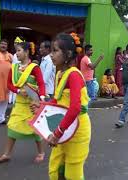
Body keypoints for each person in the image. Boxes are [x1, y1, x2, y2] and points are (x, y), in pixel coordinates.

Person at [31, 33, 91, 180]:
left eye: (55, 51)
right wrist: (42, 105)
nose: (51, 55)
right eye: (51, 50)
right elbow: (58, 102)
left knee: (73, 174)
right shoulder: (60, 74)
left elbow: (75, 108)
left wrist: (57, 133)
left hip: (76, 131)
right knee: (57, 168)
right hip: (65, 128)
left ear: (68, 54)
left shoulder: (74, 75)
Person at [0, 41, 46, 164]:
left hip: (33, 104)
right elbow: (9, 84)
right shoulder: (14, 67)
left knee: (35, 130)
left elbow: (41, 84)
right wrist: (18, 91)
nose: (16, 54)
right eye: (16, 51)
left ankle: (41, 152)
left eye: (19, 50)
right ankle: (7, 154)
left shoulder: (34, 68)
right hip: (19, 105)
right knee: (12, 128)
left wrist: (41, 99)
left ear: (27, 52)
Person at [8, 37, 23, 104]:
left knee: (16, 88)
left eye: (17, 43)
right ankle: (11, 101)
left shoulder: (17, 54)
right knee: (13, 88)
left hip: (18, 72)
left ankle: (13, 101)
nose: (15, 44)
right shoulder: (14, 55)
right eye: (15, 43)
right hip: (14, 71)